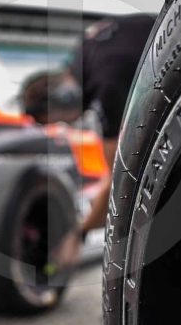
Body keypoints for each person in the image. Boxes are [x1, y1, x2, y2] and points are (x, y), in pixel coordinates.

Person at [65, 14, 156, 234]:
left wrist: (79, 232)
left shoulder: (105, 87)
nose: (67, 125)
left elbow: (118, 178)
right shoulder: (84, 51)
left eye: (59, 120)